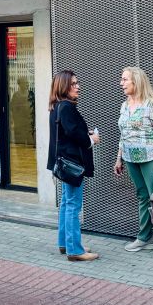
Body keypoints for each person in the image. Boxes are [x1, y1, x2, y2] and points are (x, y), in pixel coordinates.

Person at [114, 66, 153, 259]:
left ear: (136, 81)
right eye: (122, 79)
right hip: (130, 158)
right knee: (142, 196)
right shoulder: (124, 105)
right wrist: (119, 158)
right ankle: (146, 238)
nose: (121, 83)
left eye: (125, 79)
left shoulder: (151, 104)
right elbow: (123, 134)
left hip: (150, 158)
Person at [47, 70, 100, 262]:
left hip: (63, 163)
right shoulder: (67, 107)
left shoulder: (57, 106)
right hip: (72, 164)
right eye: (73, 84)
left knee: (66, 203)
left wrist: (85, 134)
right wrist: (91, 139)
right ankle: (75, 250)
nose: (78, 87)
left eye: (77, 83)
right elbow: (72, 133)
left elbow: (66, 133)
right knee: (73, 205)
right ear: (64, 86)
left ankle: (66, 243)